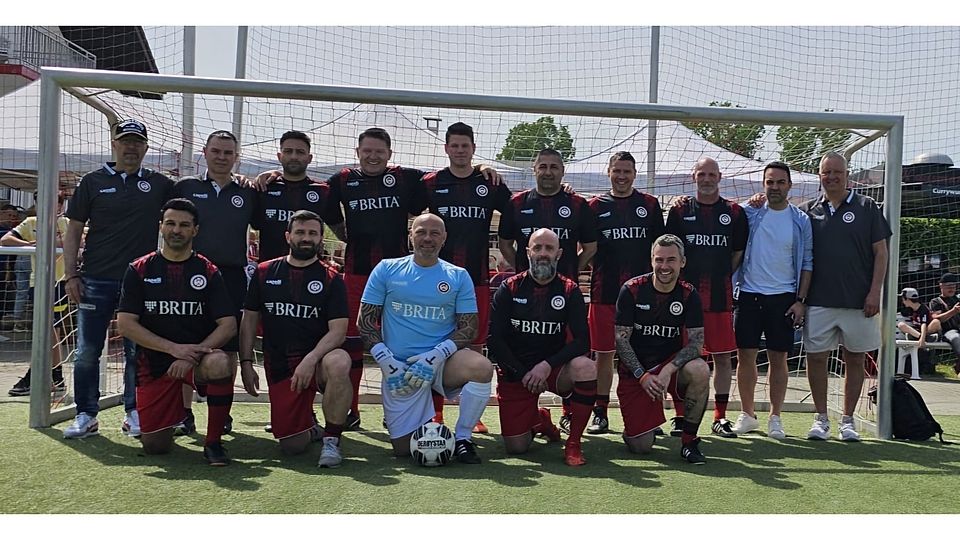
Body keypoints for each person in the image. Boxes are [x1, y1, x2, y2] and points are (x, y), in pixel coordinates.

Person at [62, 119, 176, 439]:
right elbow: (73, 231)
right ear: (114, 144)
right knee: (87, 350)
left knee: (135, 352)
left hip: (139, 283)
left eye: (137, 142)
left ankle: (134, 411)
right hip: (95, 279)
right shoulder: (92, 181)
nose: (131, 147)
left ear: (146, 148)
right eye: (125, 141)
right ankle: (86, 414)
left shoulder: (159, 184)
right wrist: (72, 274)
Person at [357, 213, 493, 464]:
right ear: (411, 236)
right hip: (399, 370)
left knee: (482, 368)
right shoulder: (387, 268)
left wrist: (435, 356)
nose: (427, 238)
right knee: (404, 450)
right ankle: (418, 422)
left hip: (440, 364)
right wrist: (386, 362)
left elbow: (469, 327)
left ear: (444, 238)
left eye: (434, 233)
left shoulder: (458, 275)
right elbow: (364, 322)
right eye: (421, 232)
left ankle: (463, 438)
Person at [116, 199, 237, 465]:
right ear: (161, 227)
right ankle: (174, 416)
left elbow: (228, 325)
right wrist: (173, 349)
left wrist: (189, 356)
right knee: (155, 447)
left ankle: (214, 442)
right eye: (170, 223)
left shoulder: (207, 271)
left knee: (219, 362)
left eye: (184, 225)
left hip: (197, 360)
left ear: (195, 230)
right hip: (155, 363)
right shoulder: (139, 269)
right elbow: (125, 324)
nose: (176, 230)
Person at [239, 210, 352, 467]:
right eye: (300, 232)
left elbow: (338, 331)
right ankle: (310, 427)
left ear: (321, 239)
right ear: (288, 236)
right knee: (292, 447)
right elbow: (249, 320)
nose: (306, 238)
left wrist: (311, 359)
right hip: (280, 363)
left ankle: (332, 440)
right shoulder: (264, 272)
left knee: (339, 361)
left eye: (313, 233)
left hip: (317, 362)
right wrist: (245, 362)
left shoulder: (332, 278)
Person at [498, 148, 597, 433]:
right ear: (534, 169)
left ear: (562, 171)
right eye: (543, 166)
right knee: (524, 345)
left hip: (565, 295)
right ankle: (532, 412)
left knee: (570, 352)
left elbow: (590, 247)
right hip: (525, 292)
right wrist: (520, 266)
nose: (548, 171)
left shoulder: (578, 204)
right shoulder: (516, 203)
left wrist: (572, 270)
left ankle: (569, 413)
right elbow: (505, 242)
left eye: (554, 166)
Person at [421, 122, 511, 431]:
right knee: (435, 342)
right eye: (454, 145)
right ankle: (435, 413)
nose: (460, 151)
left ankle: (473, 417)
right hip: (437, 281)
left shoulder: (490, 183)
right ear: (446, 148)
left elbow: (516, 212)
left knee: (473, 345)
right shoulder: (430, 183)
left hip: (477, 279)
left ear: (473, 149)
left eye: (465, 146)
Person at [799, 152, 892, 442]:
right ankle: (821, 418)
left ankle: (848, 420)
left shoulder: (867, 207)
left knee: (855, 359)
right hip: (818, 300)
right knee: (815, 359)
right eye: (826, 172)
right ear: (819, 176)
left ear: (847, 174)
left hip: (858, 301)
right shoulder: (807, 210)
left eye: (837, 172)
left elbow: (881, 253)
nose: (832, 177)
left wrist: (875, 291)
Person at [172, 130, 258, 435]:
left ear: (237, 157)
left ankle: (223, 413)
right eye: (216, 151)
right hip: (190, 274)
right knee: (186, 342)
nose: (222, 157)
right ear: (204, 153)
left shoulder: (248, 191)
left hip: (231, 276)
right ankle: (183, 413)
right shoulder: (185, 187)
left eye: (228, 153)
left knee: (228, 347)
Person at [487, 228, 596, 466]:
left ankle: (574, 443)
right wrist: (522, 372)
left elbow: (582, 342)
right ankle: (541, 420)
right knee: (517, 448)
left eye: (549, 248)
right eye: (537, 248)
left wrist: (547, 366)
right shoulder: (510, 288)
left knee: (586, 368)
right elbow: (494, 340)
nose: (543, 253)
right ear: (527, 253)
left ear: (559, 254)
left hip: (553, 370)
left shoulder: (569, 290)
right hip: (518, 372)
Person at [666, 157, 747, 438]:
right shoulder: (679, 211)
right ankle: (679, 415)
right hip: (684, 301)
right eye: (702, 174)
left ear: (720, 177)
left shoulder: (734, 213)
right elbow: (671, 253)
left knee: (723, 358)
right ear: (694, 176)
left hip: (719, 298)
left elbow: (737, 254)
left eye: (712, 174)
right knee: (679, 357)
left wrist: (721, 274)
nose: (707, 179)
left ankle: (720, 416)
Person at [730, 162, 812, 439]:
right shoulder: (751, 213)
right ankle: (747, 414)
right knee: (745, 357)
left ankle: (775, 417)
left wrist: (801, 300)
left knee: (779, 359)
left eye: (780, 182)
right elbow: (728, 211)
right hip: (750, 296)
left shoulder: (800, 220)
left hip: (784, 299)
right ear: (763, 185)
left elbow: (807, 264)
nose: (774, 187)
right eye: (769, 182)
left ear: (789, 185)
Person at [613, 233, 711, 464]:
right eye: (659, 260)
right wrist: (643, 375)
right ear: (651, 260)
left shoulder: (689, 294)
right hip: (638, 373)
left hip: (670, 368)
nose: (664, 266)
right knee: (641, 447)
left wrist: (667, 371)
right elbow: (621, 340)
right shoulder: (632, 289)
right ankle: (642, 424)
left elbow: (697, 343)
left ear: (682, 262)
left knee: (700, 370)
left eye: (670, 260)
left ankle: (689, 441)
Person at [586, 151, 665, 434]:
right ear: (608, 172)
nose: (621, 176)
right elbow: (588, 249)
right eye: (617, 171)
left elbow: (660, 250)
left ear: (634, 174)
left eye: (627, 171)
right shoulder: (594, 206)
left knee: (645, 356)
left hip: (643, 297)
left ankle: (648, 416)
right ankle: (601, 413)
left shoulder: (650, 205)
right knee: (604, 355)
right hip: (605, 292)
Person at [3, 191, 70, 396]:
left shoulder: (67, 223)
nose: (48, 207)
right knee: (50, 330)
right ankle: (55, 376)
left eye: (53, 203)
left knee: (48, 329)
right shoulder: (31, 222)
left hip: (59, 282)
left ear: (60, 206)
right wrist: (29, 245)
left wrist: (47, 243)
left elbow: (75, 242)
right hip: (37, 282)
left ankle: (34, 376)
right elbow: (6, 240)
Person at [928, 272, 960, 374]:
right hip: (947, 331)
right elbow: (936, 319)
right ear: (941, 286)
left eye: (953, 286)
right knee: (956, 337)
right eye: (948, 286)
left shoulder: (957, 299)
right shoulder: (936, 301)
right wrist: (953, 311)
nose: (951, 289)